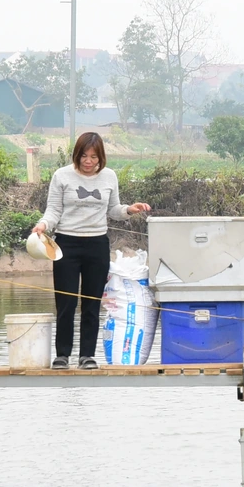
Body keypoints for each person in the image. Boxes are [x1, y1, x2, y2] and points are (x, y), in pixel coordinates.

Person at [33, 131, 151, 369]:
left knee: (92, 303)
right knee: (66, 303)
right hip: (66, 244)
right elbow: (53, 210)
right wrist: (43, 225)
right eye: (84, 156)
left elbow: (114, 210)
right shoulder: (61, 175)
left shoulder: (109, 176)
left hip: (97, 245)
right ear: (76, 155)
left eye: (94, 157)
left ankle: (87, 355)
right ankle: (62, 355)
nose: (88, 161)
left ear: (101, 157)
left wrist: (129, 209)